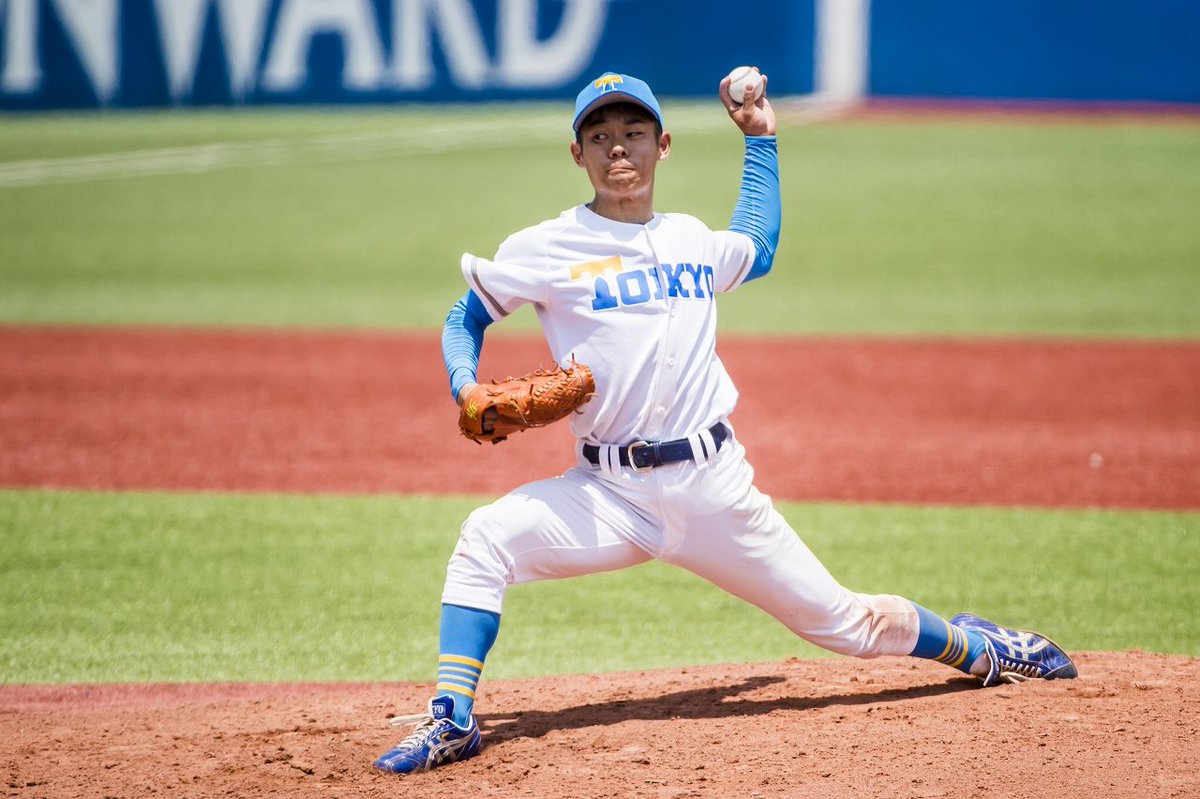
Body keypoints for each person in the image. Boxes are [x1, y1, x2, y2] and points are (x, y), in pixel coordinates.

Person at [373, 69, 1077, 775]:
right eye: (601, 135)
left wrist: (761, 139)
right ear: (577, 154)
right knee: (484, 539)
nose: (619, 148)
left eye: (633, 133)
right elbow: (464, 315)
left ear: (663, 145)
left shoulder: (688, 239)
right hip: (607, 494)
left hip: (714, 488)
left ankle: (983, 648)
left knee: (846, 624)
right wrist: (463, 384)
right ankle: (453, 718)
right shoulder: (547, 246)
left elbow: (757, 244)